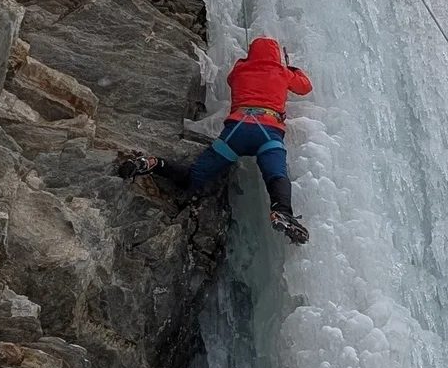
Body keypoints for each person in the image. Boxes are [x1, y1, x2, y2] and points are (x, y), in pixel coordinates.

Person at [116, 37, 312, 244]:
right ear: (276, 56)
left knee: (193, 176)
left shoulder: (240, 70)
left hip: (237, 130)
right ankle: (281, 212)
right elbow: (305, 87)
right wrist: (291, 68)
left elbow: (231, 79)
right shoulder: (282, 72)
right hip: (268, 131)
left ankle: (154, 163)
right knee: (276, 176)